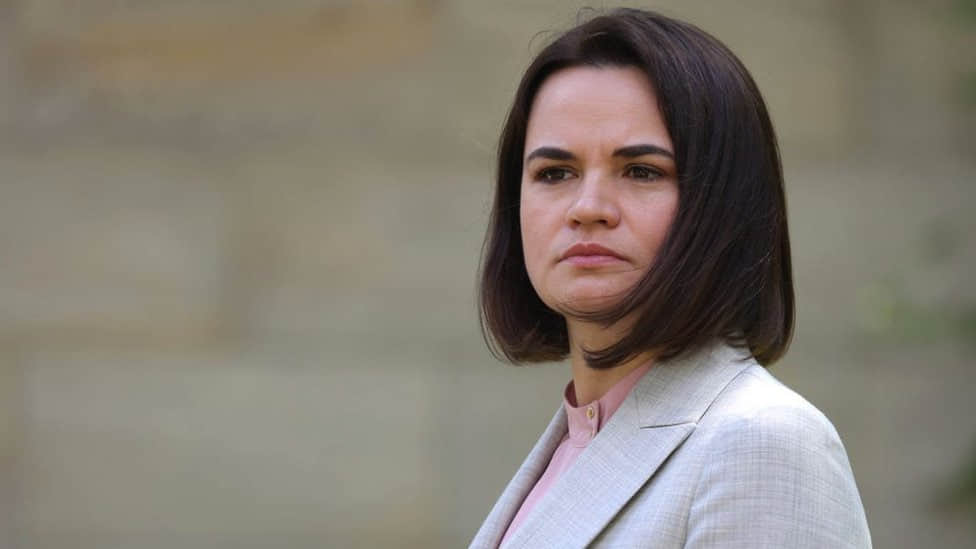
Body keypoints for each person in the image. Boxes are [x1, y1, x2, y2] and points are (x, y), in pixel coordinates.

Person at [470, 8, 871, 549]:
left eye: (642, 171)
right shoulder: (573, 445)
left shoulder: (764, 442)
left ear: (724, 203)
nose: (588, 208)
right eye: (555, 172)